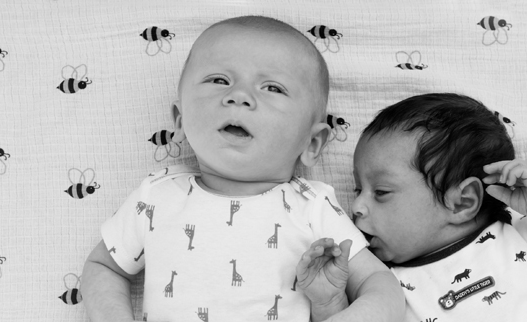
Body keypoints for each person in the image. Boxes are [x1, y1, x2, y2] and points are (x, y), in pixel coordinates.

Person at [80, 16, 404, 322]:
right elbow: (103, 266)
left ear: (313, 143)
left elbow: (378, 282)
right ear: (180, 121)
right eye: (219, 80)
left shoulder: (314, 206)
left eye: (272, 88)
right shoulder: (155, 197)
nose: (239, 96)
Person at [346, 93, 527, 321]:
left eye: (381, 192)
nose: (356, 205)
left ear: (462, 201)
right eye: (358, 189)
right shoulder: (380, 286)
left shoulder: (520, 237)